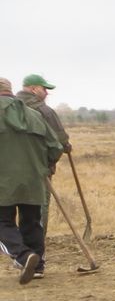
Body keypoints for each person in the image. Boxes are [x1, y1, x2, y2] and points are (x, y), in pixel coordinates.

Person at [0, 77, 61, 284]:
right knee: (32, 222)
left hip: (3, 182)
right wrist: (43, 166)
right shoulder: (35, 115)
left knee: (2, 222)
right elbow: (55, 147)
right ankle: (37, 267)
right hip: (34, 180)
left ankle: (24, 257)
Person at [18, 74, 71, 252]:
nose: (47, 93)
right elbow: (60, 140)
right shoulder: (44, 111)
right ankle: (36, 248)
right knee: (39, 207)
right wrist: (61, 152)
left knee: (15, 206)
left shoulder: (10, 107)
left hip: (11, 169)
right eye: (44, 89)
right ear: (34, 89)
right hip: (39, 169)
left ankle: (17, 246)